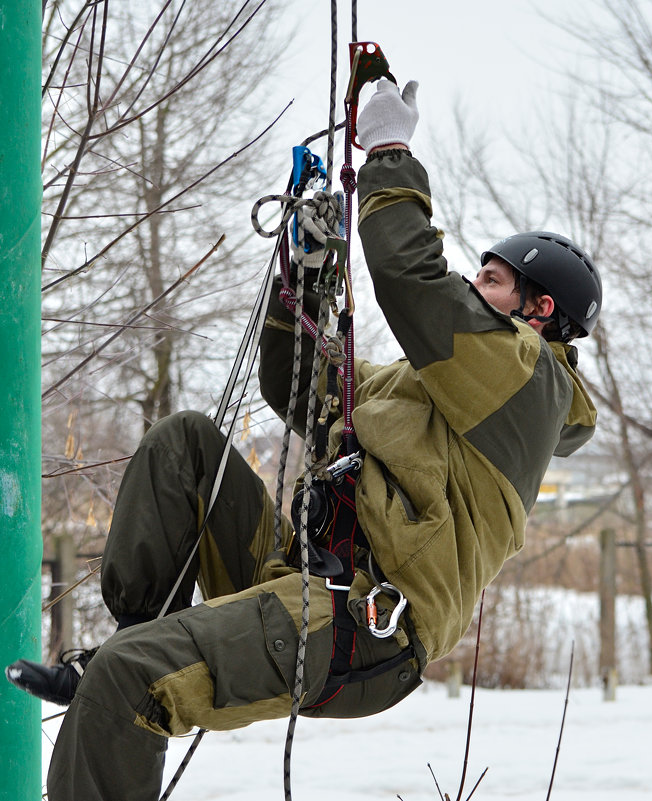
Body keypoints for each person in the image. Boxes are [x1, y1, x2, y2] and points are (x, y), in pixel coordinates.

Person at [7, 78, 600, 801]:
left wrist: (387, 151)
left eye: (492, 279)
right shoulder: (420, 390)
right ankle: (137, 642)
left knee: (132, 675)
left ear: (539, 312)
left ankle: (128, 670)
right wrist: (305, 277)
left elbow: (409, 277)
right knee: (184, 445)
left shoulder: (527, 382)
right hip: (306, 575)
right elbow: (302, 385)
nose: (473, 288)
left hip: (365, 626)